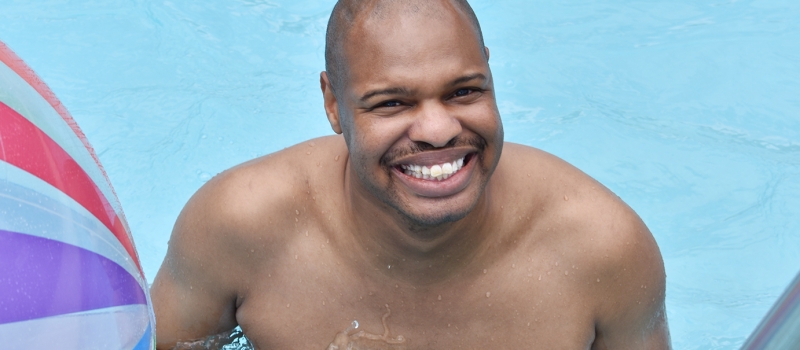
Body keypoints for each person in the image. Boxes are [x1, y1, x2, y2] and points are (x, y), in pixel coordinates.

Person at [151, 0, 670, 349]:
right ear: (333, 104)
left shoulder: (601, 251)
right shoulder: (238, 229)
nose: (439, 130)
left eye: (464, 91)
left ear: (490, 72)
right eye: (392, 103)